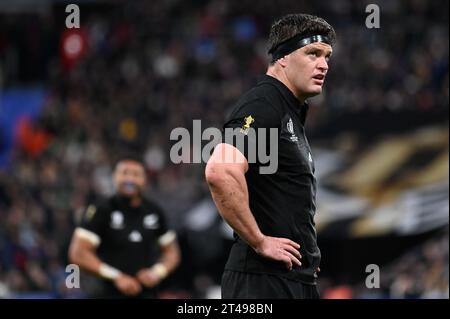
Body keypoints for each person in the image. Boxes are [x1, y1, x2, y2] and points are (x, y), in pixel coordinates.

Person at [205, 13, 336, 299]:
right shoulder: (264, 102)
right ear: (283, 57)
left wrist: (307, 255)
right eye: (312, 53)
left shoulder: (289, 110)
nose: (324, 64)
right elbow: (220, 171)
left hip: (291, 279)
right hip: (262, 282)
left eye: (327, 56)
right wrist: (260, 241)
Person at [68, 158, 181, 298]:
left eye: (136, 174)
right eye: (124, 173)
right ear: (114, 176)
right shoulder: (100, 210)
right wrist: (116, 277)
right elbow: (78, 253)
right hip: (106, 293)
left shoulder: (154, 211)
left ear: (145, 179)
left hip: (146, 293)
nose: (130, 179)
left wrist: (157, 272)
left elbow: (172, 252)